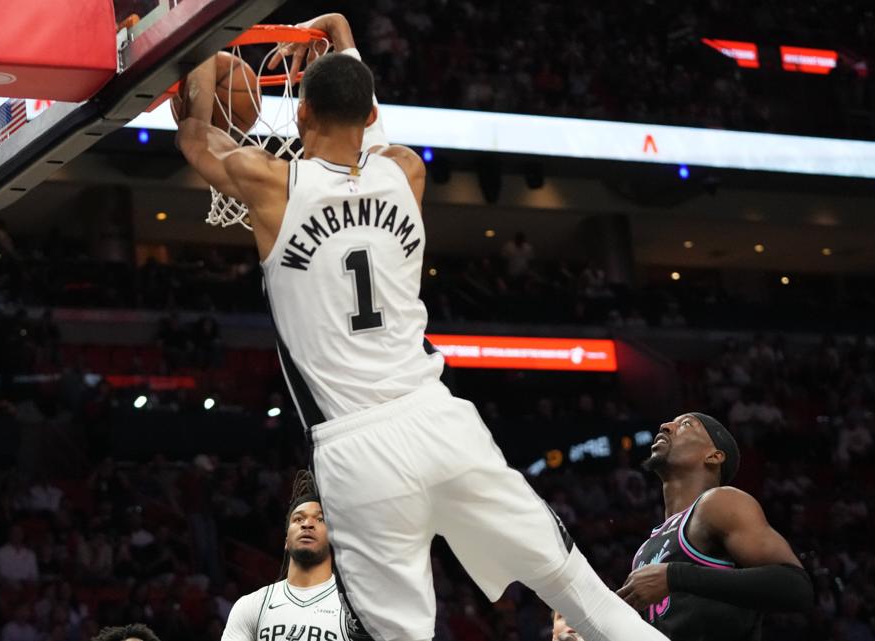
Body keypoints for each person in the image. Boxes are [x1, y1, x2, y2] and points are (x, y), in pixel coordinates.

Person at [172, 12, 666, 641]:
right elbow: (369, 121)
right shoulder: (405, 171)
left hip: (357, 449)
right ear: (369, 113)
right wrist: (341, 34)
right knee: (579, 590)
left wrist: (195, 62)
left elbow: (195, 139)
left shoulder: (272, 184)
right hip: (442, 421)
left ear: (301, 115)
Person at [618, 413, 814, 640]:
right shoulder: (645, 549)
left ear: (714, 456)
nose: (665, 426)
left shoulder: (719, 503)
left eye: (686, 424)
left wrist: (675, 576)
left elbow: (796, 587)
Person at [221, 471, 344, 641]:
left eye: (319, 519)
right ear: (286, 540)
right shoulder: (252, 606)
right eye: (298, 519)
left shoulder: (353, 611)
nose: (307, 524)